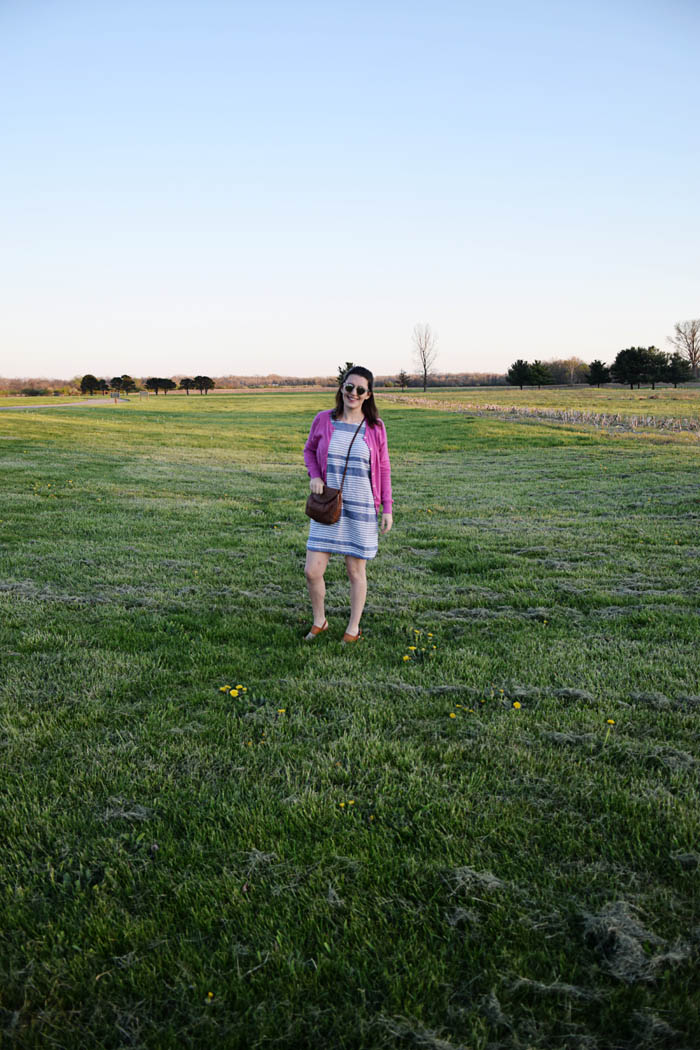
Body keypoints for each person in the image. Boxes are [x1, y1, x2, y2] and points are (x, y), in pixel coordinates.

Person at [303, 366, 393, 643]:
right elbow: (309, 450)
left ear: (368, 395)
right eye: (349, 387)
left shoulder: (375, 428)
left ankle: (353, 627)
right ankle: (320, 620)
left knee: (356, 571)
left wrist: (387, 507)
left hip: (362, 507)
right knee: (312, 571)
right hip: (328, 505)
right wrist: (315, 475)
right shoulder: (323, 420)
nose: (353, 393)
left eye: (360, 389)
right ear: (341, 388)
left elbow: (384, 467)